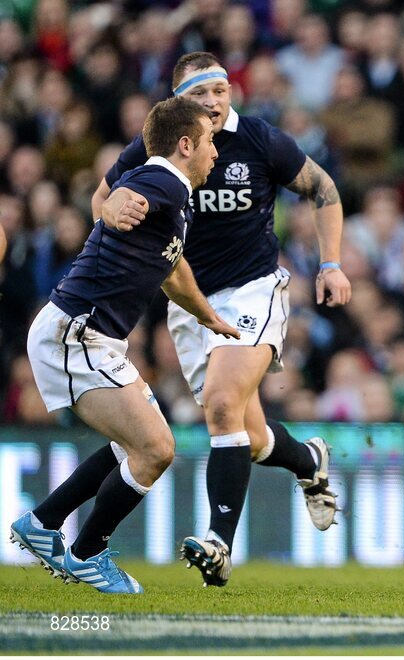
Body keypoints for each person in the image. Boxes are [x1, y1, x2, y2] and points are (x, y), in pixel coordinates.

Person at [93, 52, 351, 588]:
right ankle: (308, 461)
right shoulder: (157, 146)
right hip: (190, 303)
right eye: (198, 95)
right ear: (177, 104)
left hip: (255, 288)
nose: (212, 103)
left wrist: (330, 263)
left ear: (231, 91)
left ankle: (218, 542)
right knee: (250, 438)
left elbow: (323, 189)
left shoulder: (259, 140)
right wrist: (113, 214)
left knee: (223, 406)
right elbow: (103, 197)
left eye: (220, 91)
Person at [10, 96, 237, 594]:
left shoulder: (177, 200)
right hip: (75, 334)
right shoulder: (161, 180)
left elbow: (173, 274)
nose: (216, 154)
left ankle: (44, 522)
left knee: (131, 444)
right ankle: (88, 553)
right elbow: (121, 198)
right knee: (155, 449)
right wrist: (110, 205)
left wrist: (209, 316)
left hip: (93, 337)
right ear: (185, 145)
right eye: (210, 143)